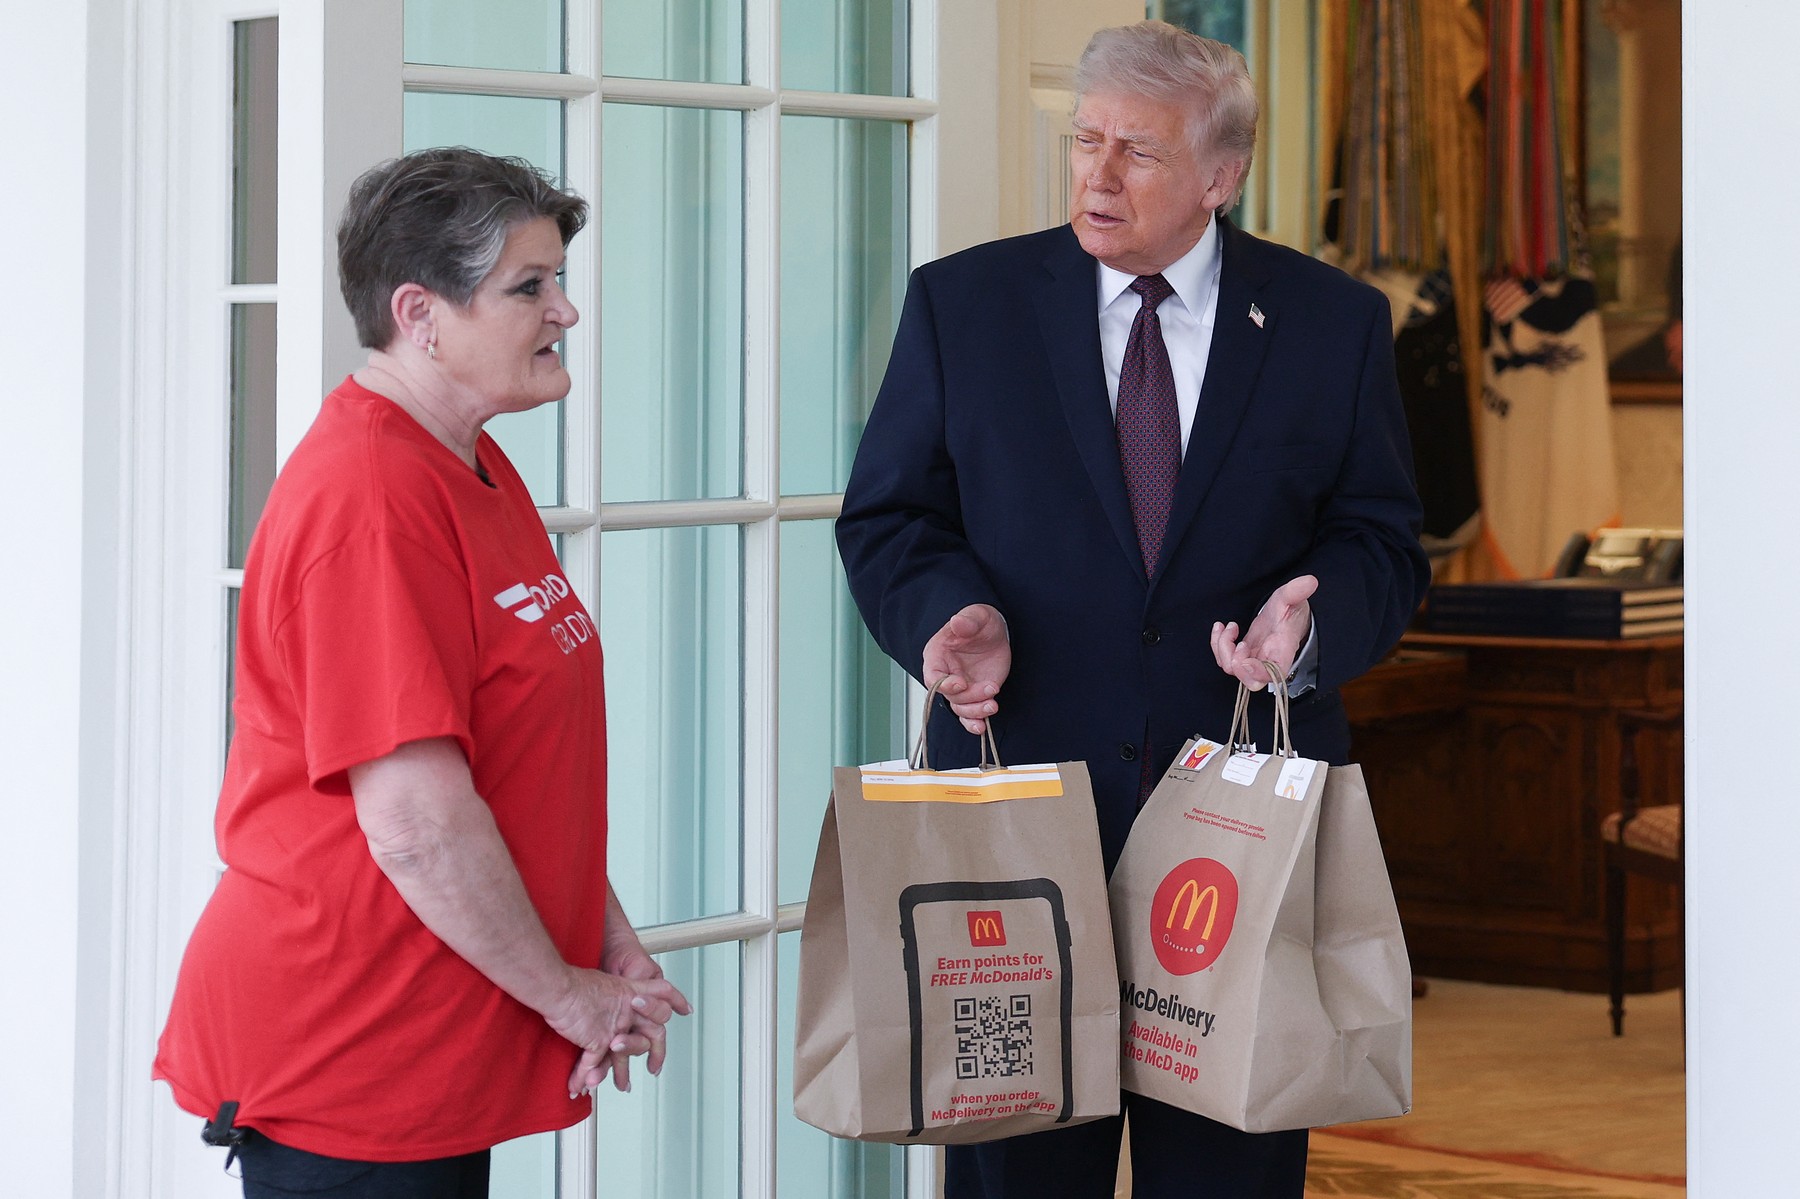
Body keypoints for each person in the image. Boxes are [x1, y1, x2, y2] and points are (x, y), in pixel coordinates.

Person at [835, 21, 1429, 1199]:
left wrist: (1308, 631)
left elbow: (1381, 538)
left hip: (1238, 829)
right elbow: (891, 517)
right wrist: (945, 615)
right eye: (1086, 141)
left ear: (1221, 175)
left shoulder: (1332, 321)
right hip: (1018, 822)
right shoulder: (967, 303)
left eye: (1139, 152)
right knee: (1017, 1179)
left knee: (1228, 1178)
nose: (1097, 175)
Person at [154, 147, 690, 1198]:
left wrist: (604, 939)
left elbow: (512, 769)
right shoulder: (371, 498)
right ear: (419, 313)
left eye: (558, 279)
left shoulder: (469, 463)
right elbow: (414, 822)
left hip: (432, 1035)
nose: (566, 311)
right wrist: (566, 995)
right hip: (352, 1048)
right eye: (529, 287)